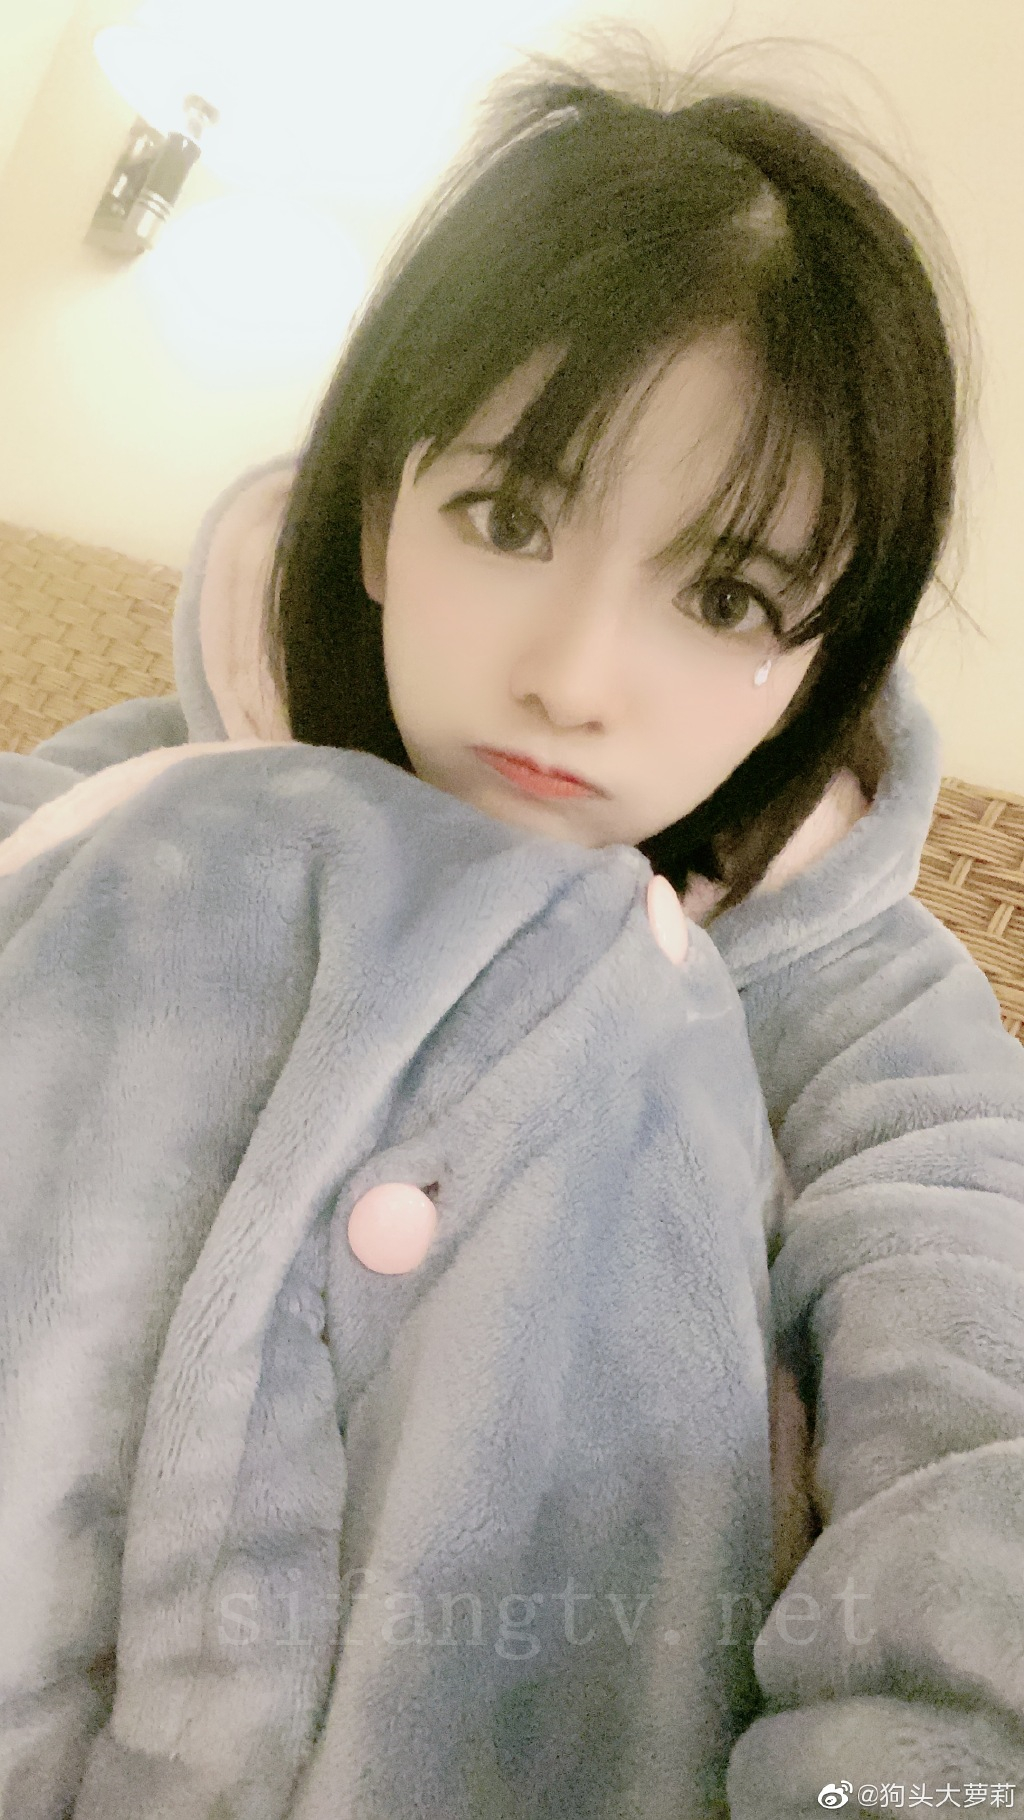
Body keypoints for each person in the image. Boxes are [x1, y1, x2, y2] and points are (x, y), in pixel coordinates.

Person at [2, 35, 1024, 1817]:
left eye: (727, 596)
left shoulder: (858, 995)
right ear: (379, 517)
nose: (574, 677)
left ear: (816, 662)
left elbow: (977, 1387)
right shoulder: (134, 817)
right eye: (508, 516)